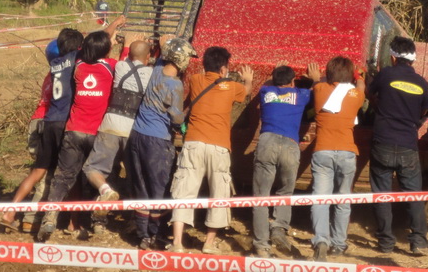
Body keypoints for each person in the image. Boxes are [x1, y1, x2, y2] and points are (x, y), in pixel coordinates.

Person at [37, 17, 126, 240]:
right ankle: (98, 220)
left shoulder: (79, 66)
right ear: (107, 51)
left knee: (64, 176)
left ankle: (50, 216)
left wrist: (113, 26)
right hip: (97, 133)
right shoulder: (112, 67)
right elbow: (125, 57)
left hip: (74, 130)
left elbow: (95, 44)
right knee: (99, 174)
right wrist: (124, 43)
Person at [170, 47, 253, 254]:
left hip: (194, 143)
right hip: (219, 146)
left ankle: (177, 243)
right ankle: (208, 243)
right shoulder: (232, 86)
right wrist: (248, 80)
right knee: (219, 193)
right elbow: (246, 92)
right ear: (224, 69)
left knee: (184, 191)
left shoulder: (195, 80)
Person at [366, 36, 428, 256]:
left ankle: (386, 242)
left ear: (393, 58)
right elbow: (426, 110)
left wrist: (377, 104)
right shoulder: (422, 83)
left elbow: (369, 92)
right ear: (413, 60)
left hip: (383, 142)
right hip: (408, 145)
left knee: (382, 194)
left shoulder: (386, 74)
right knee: (413, 195)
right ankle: (419, 242)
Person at [82, 32, 153, 233]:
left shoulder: (121, 67)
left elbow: (123, 56)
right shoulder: (151, 74)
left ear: (129, 54)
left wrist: (127, 43)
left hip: (110, 125)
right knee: (134, 175)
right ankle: (134, 220)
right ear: (148, 57)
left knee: (94, 169)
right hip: (133, 129)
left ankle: (103, 197)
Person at [128, 36, 194, 250]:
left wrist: (164, 43)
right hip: (157, 141)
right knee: (158, 188)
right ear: (182, 59)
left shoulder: (156, 70)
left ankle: (142, 235)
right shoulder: (175, 85)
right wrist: (186, 114)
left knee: (141, 186)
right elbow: (176, 119)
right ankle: (155, 233)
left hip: (137, 135)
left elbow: (162, 53)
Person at [0, 37, 66, 234]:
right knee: (46, 175)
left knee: (36, 171)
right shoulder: (64, 74)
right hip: (49, 123)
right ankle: (30, 219)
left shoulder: (50, 74)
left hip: (36, 121)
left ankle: (10, 213)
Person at [251, 63, 314, 258]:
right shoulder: (301, 95)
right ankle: (278, 228)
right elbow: (317, 91)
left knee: (261, 197)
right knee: (285, 191)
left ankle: (262, 246)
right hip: (290, 144)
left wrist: (275, 75)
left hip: (267, 142)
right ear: (293, 81)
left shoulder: (265, 91)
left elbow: (267, 83)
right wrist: (313, 79)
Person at [309, 57, 365, 261]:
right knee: (343, 200)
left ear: (328, 74)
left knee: (320, 199)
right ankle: (339, 244)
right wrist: (358, 75)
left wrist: (315, 78)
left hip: (322, 150)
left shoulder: (319, 89)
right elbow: (361, 85)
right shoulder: (356, 94)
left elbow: (317, 83)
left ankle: (321, 240)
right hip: (347, 151)